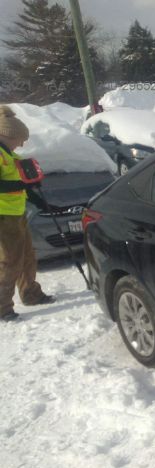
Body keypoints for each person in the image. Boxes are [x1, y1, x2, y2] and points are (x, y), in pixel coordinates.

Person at [0, 105, 53, 321]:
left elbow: (21, 186)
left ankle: (31, 294)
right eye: (20, 139)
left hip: (17, 213)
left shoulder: (11, 156)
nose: (22, 143)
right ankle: (2, 307)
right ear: (7, 135)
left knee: (28, 256)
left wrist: (40, 201)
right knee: (11, 260)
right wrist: (22, 182)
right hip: (3, 216)